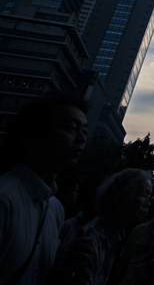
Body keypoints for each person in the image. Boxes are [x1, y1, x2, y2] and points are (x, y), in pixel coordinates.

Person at [0, 93, 91, 285]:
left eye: (84, 130)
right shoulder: (4, 199)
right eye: (71, 128)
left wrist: (65, 268)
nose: (82, 138)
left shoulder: (55, 209)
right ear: (30, 139)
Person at [55, 168, 153, 285]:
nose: (149, 203)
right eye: (145, 195)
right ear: (122, 196)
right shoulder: (90, 240)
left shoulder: (115, 236)